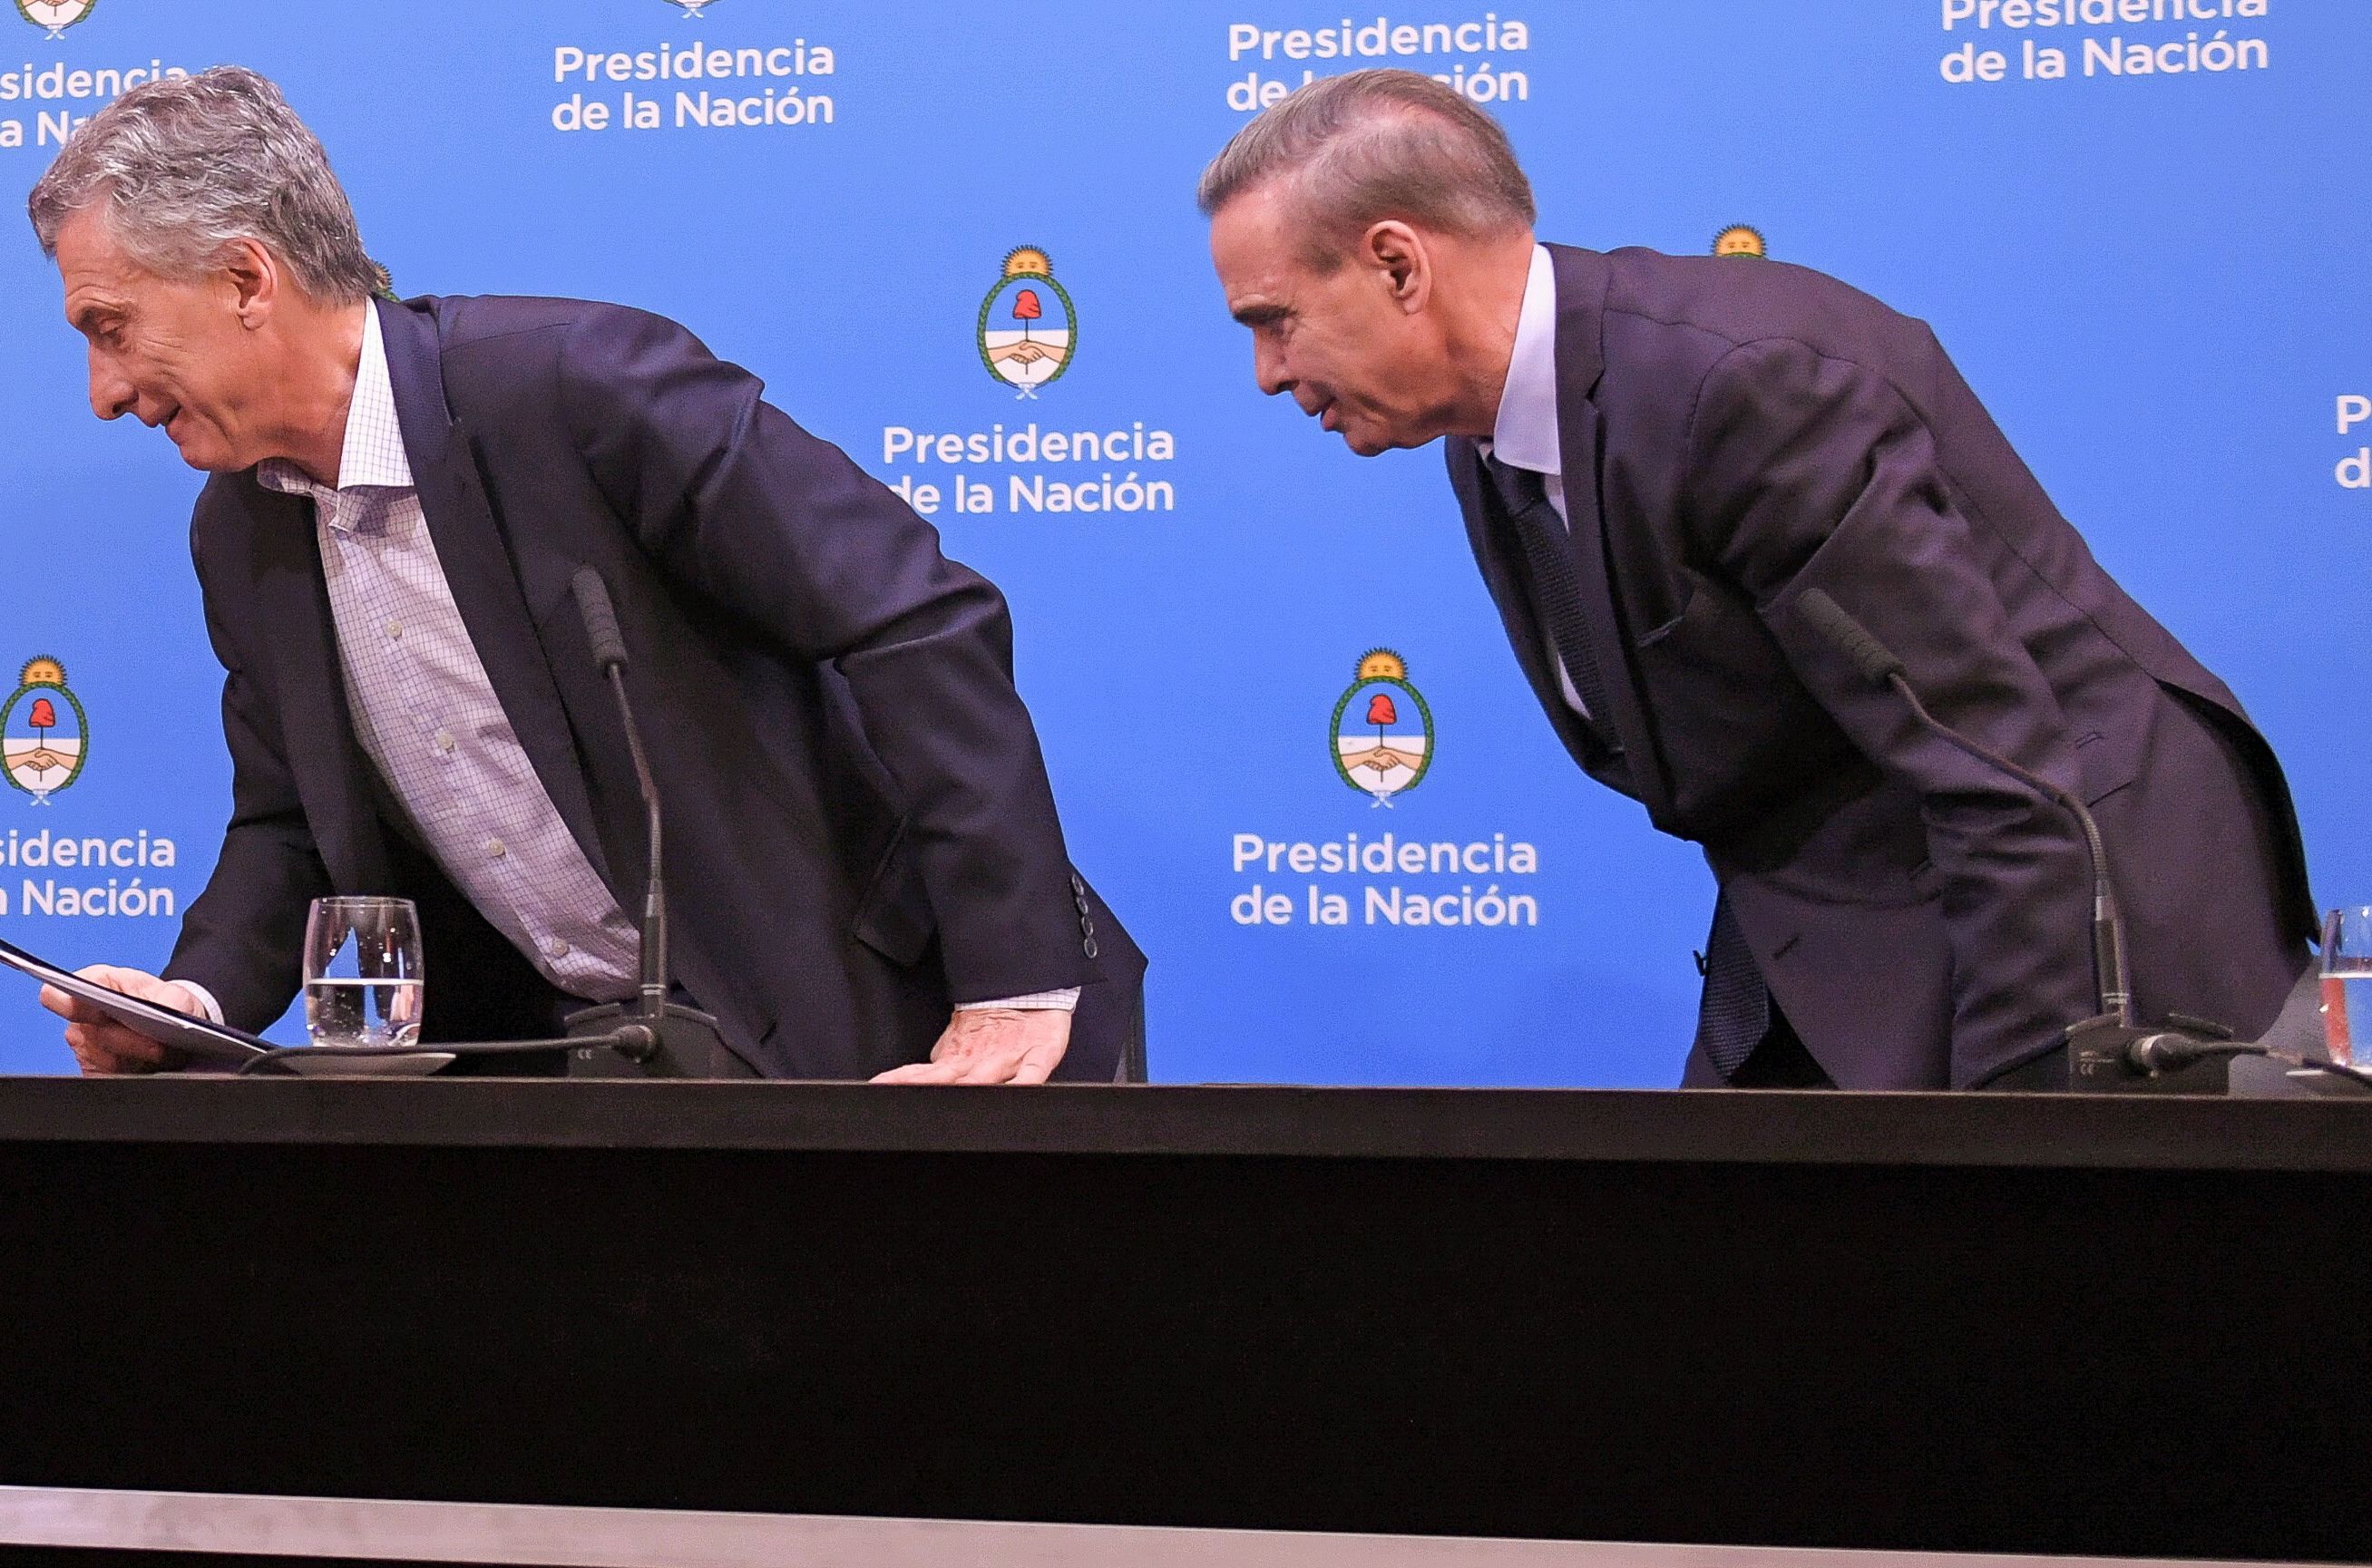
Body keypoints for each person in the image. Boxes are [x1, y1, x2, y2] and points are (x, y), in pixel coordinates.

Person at [1197, 69, 2312, 1089]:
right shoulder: (1486, 442)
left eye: (1273, 321)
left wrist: (2008, 1139)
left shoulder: (1738, 392)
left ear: (1398, 264)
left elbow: (1998, 772)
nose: (1265, 373)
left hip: (2070, 904)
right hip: (1836, 898)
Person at [29, 66, 1143, 1084]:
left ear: (245, 278)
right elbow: (288, 822)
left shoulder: (579, 387)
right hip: (593, 1087)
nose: (103, 392)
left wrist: (1009, 981)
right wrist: (194, 1000)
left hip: (894, 1029)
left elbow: (911, 615)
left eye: (111, 328)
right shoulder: (241, 528)